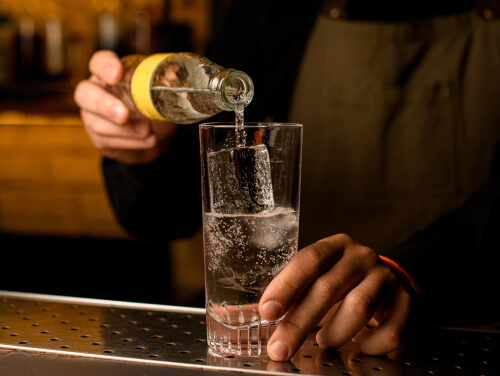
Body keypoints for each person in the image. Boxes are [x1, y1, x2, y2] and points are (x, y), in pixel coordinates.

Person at [73, 0, 500, 362]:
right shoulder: (269, 8)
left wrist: (415, 268)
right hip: (296, 345)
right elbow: (164, 209)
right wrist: (144, 145)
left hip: (464, 330)